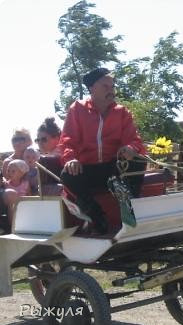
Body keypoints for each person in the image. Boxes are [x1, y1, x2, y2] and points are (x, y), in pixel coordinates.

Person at [59, 67, 146, 234]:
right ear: (92, 89)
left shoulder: (122, 112)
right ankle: (97, 218)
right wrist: (70, 159)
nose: (111, 91)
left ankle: (130, 208)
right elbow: (67, 140)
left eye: (112, 87)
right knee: (68, 174)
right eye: (106, 87)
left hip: (113, 168)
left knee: (138, 160)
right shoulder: (77, 109)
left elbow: (134, 140)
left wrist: (130, 148)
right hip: (87, 169)